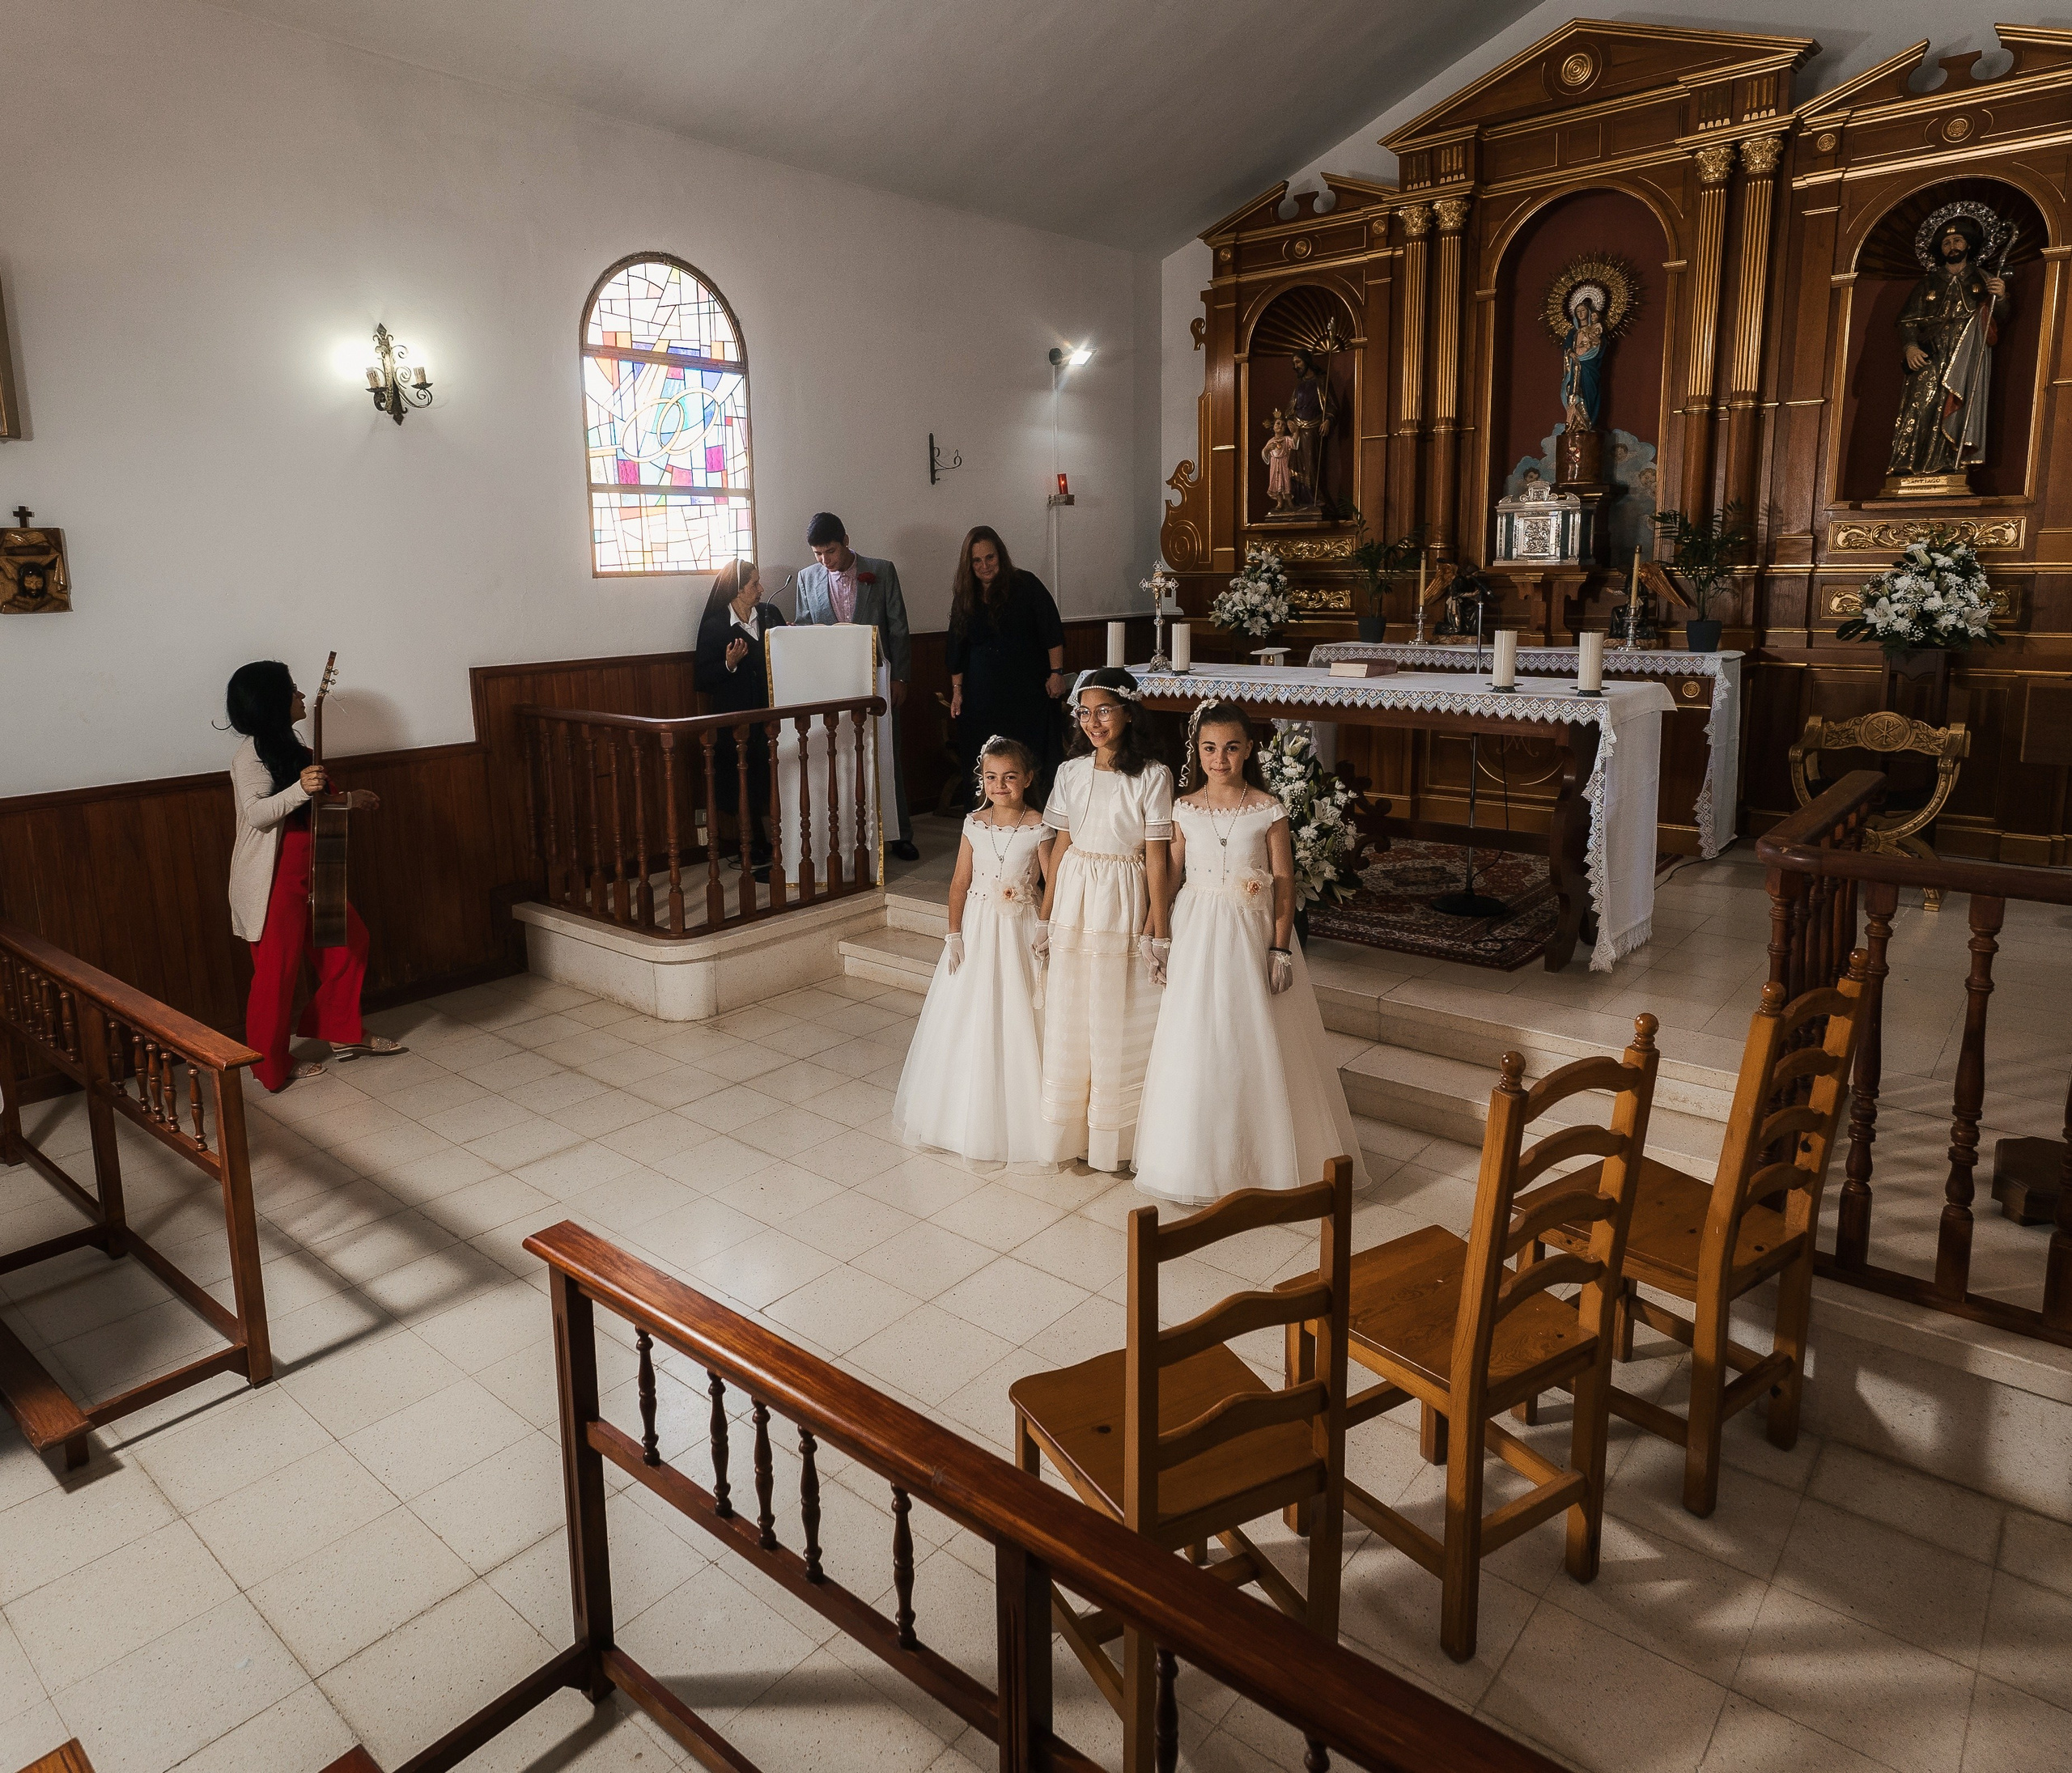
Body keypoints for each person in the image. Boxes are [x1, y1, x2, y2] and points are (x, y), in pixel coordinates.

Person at [1133, 703, 1369, 1204]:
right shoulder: (1183, 808)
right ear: (1196, 752)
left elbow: (1284, 883)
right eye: (1209, 748)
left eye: (1231, 747)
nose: (1220, 758)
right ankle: (1196, 1162)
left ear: (1249, 750)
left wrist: (1280, 947)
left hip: (1250, 933)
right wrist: (1156, 935)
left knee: (1253, 1035)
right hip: (1197, 931)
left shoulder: (1268, 809)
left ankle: (1269, 1158)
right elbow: (1171, 877)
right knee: (1200, 1038)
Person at [225, 660, 405, 1091]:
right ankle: (270, 1067)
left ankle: (342, 1031)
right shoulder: (249, 756)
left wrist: (347, 799)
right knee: (277, 975)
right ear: (272, 702)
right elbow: (258, 815)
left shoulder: (295, 750)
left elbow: (310, 810)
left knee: (349, 944)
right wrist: (300, 789)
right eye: (292, 690)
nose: (302, 696)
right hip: (273, 883)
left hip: (315, 872)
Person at [892, 736, 1067, 1168]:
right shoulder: (973, 822)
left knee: (1020, 1009)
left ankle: (1025, 1114)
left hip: (1020, 927)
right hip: (979, 923)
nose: (1001, 785)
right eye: (992, 778)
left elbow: (1052, 880)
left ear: (1028, 778)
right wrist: (954, 933)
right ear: (982, 780)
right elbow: (959, 882)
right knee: (971, 1009)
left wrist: (1045, 922)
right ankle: (961, 1112)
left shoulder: (1040, 824)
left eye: (1010, 777)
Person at [1037, 668, 1173, 1174]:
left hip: (1122, 895)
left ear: (1128, 713)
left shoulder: (1153, 775)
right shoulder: (1070, 772)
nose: (1093, 721)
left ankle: (1117, 1136)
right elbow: (1058, 843)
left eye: (1105, 710)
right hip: (1075, 893)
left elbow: (1157, 858)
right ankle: (1072, 1129)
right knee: (1075, 1004)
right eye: (1085, 712)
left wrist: (1159, 928)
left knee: (1115, 1007)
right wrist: (1046, 916)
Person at [792, 511, 918, 859]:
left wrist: (901, 677)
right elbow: (806, 629)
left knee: (886, 752)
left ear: (846, 541)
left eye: (830, 551)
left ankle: (899, 833)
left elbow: (899, 628)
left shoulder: (881, 570)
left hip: (877, 674)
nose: (825, 561)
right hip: (832, 681)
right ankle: (848, 833)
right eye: (818, 554)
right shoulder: (806, 579)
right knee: (840, 755)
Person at [945, 526, 1065, 811]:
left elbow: (1052, 631)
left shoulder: (1026, 584)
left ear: (1000, 555)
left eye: (990, 558)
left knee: (1030, 758)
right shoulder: (965, 595)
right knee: (986, 758)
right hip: (981, 697)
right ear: (969, 564)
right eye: (977, 561)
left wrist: (1057, 673)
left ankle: (1038, 817)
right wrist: (957, 692)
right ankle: (986, 819)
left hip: (1027, 692)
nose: (985, 566)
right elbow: (956, 649)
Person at [694, 558, 788, 867]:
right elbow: (703, 678)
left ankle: (781, 839)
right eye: (754, 584)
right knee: (744, 781)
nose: (761, 589)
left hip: (772, 715)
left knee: (772, 777)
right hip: (736, 720)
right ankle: (753, 844)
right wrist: (728, 664)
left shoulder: (770, 614)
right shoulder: (716, 626)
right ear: (736, 591)